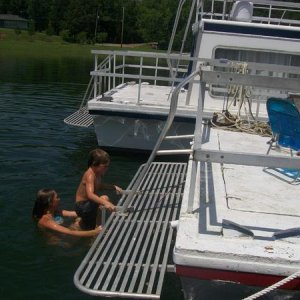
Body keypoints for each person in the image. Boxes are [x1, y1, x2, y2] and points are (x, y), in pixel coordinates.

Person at [75, 148, 123, 230]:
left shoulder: (97, 173)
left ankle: (91, 224)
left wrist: (113, 187)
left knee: (87, 224)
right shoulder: (90, 175)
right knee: (104, 199)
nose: (106, 169)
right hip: (82, 206)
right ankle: (97, 229)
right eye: (104, 166)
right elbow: (90, 195)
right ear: (94, 164)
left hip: (89, 204)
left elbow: (99, 186)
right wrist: (106, 203)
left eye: (107, 166)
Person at [32, 188, 101, 237]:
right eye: (57, 197)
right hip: (59, 244)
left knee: (80, 218)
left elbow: (77, 213)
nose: (59, 199)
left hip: (65, 236)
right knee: (79, 223)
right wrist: (94, 232)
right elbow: (70, 232)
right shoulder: (45, 220)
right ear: (50, 203)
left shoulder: (56, 212)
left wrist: (95, 207)